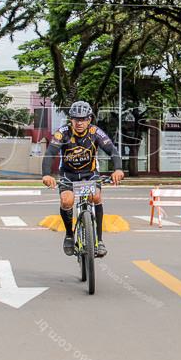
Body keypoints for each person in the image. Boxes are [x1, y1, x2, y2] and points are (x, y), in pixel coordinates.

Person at [41, 101, 124, 257]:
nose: (79, 123)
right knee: (67, 201)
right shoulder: (62, 133)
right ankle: (69, 235)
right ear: (70, 120)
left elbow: (112, 150)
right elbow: (50, 152)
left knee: (96, 196)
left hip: (89, 174)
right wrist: (46, 174)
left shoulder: (96, 132)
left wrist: (118, 169)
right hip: (68, 175)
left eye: (83, 119)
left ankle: (99, 241)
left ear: (89, 119)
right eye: (75, 119)